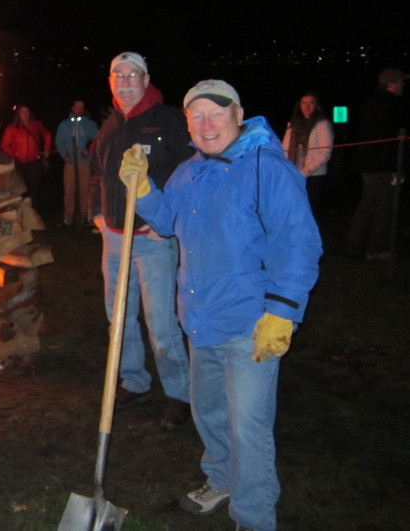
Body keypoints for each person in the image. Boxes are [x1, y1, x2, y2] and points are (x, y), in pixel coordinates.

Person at [120, 79, 322, 531]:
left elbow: (299, 243)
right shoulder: (189, 171)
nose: (207, 124)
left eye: (217, 113)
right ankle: (222, 479)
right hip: (200, 318)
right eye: (197, 116)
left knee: (248, 425)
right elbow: (168, 222)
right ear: (187, 122)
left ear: (239, 115)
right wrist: (143, 188)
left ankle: (253, 516)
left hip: (252, 322)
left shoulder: (267, 168)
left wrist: (282, 311)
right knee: (208, 411)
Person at [88, 51, 193, 431]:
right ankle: (134, 380)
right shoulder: (111, 125)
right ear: (110, 82)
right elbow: (97, 172)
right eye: (119, 76)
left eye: (133, 75)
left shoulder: (169, 121)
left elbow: (189, 174)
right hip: (114, 240)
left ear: (147, 81)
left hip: (153, 240)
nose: (126, 82)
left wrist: (167, 220)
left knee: (160, 323)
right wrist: (97, 214)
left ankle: (180, 393)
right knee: (118, 319)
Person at [345, 68, 407, 260]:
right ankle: (376, 249)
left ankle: (354, 245)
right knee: (383, 207)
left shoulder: (371, 103)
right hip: (381, 166)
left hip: (368, 164)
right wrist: (394, 169)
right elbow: (387, 141)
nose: (403, 85)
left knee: (368, 205)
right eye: (400, 82)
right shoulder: (389, 105)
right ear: (391, 84)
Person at [281, 91, 333, 220]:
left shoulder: (322, 124)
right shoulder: (293, 123)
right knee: (293, 211)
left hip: (313, 176)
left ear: (317, 105)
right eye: (304, 103)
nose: (307, 107)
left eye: (311, 103)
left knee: (310, 212)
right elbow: (284, 148)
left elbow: (325, 153)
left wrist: (304, 171)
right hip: (294, 173)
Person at [54, 99, 98, 225]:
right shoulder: (64, 125)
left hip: (85, 163)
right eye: (77, 107)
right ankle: (68, 216)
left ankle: (85, 216)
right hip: (70, 163)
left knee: (85, 190)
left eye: (81, 107)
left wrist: (87, 153)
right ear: (72, 108)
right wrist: (65, 155)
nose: (79, 109)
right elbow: (59, 141)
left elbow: (96, 141)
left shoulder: (90, 124)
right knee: (69, 190)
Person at [0, 104, 52, 208]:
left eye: (27, 112)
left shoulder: (36, 125)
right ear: (18, 114)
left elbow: (47, 135)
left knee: (34, 189)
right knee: (20, 190)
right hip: (19, 163)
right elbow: (4, 145)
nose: (25, 114)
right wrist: (14, 154)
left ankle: (33, 211)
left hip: (34, 162)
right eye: (23, 112)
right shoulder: (12, 128)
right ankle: (21, 211)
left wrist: (47, 149)